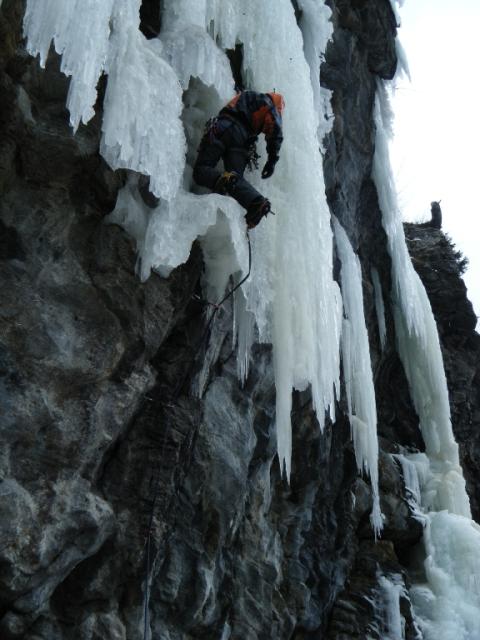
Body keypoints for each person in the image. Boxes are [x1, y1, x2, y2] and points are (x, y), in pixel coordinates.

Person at [193, 91, 285, 229]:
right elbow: (276, 131)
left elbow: (276, 128)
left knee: (201, 171)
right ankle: (256, 202)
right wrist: (272, 160)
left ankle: (228, 180)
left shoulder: (254, 98)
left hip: (225, 127)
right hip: (241, 143)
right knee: (237, 181)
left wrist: (272, 160)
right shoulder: (266, 105)